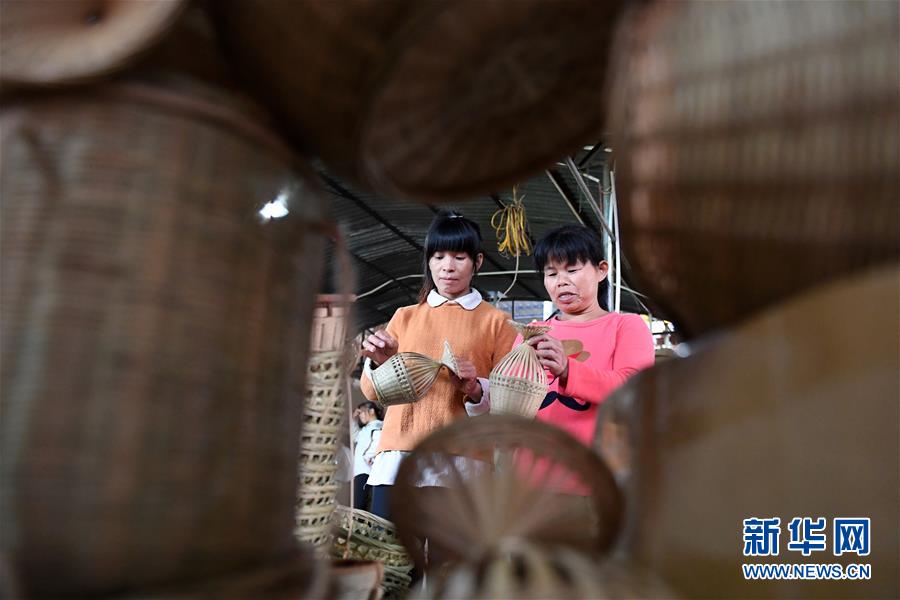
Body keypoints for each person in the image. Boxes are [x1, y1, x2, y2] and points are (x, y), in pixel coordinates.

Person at [359, 211, 517, 520]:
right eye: (439, 256)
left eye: (459, 257)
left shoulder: (498, 323)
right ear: (428, 261)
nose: (447, 266)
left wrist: (475, 389)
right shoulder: (404, 316)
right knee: (388, 550)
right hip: (398, 457)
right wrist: (382, 363)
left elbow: (509, 400)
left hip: (463, 463)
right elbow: (372, 392)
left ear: (477, 262)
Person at [467, 224, 654, 450]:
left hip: (594, 462)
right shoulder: (533, 332)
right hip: (532, 462)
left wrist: (567, 370)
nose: (561, 281)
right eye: (552, 273)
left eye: (572, 270)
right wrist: (476, 390)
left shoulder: (626, 326)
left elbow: (635, 392)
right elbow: (511, 399)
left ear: (601, 270)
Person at [351, 401, 383, 511]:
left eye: (362, 412)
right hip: (360, 470)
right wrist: (353, 419)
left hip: (367, 470)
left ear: (371, 411)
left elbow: (377, 441)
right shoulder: (365, 429)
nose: (360, 415)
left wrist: (367, 456)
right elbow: (354, 435)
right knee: (359, 503)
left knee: (360, 504)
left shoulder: (378, 425)